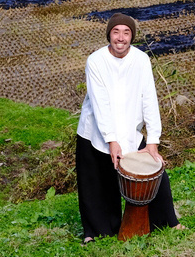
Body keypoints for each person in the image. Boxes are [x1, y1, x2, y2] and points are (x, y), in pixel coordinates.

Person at [76, 13, 181, 242]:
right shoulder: (95, 61)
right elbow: (100, 103)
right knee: (96, 183)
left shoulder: (141, 60)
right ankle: (96, 232)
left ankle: (167, 221)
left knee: (156, 173)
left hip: (130, 129)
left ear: (132, 36)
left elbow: (148, 99)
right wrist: (112, 140)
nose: (121, 38)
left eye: (126, 32)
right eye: (116, 32)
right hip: (95, 131)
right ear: (109, 35)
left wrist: (152, 140)